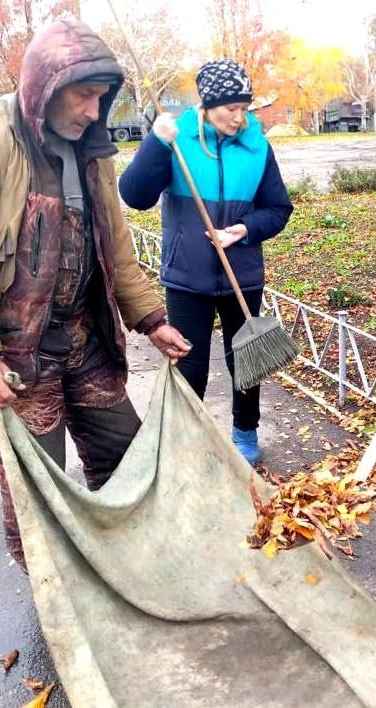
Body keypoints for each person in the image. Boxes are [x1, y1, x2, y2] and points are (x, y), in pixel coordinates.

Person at [0, 18, 191, 568]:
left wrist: (150, 319)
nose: (95, 111)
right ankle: (56, 593)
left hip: (84, 336)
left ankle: (128, 568)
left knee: (128, 455)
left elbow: (115, 248)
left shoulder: (91, 149)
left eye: (102, 98)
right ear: (46, 84)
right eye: (84, 95)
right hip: (13, 356)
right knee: (36, 486)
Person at [118, 59, 293, 467]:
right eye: (231, 108)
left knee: (246, 362)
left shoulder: (258, 148)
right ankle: (185, 439)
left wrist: (244, 230)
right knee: (189, 367)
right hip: (187, 278)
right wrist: (155, 144)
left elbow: (279, 209)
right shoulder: (178, 140)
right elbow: (135, 195)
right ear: (208, 105)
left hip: (242, 276)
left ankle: (244, 432)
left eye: (244, 107)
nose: (240, 116)